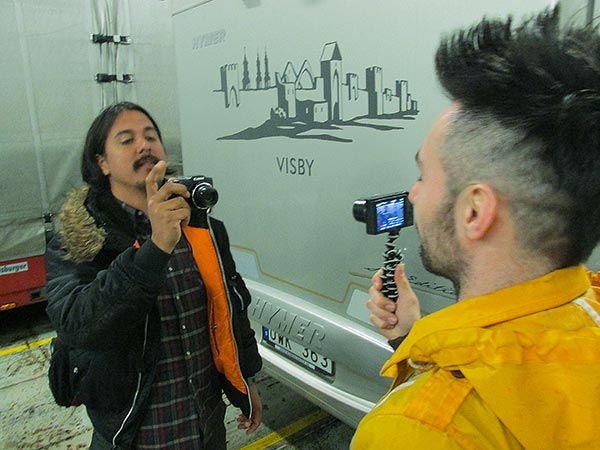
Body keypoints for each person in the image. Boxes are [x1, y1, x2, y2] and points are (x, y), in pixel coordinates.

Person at [352, 7, 600, 450]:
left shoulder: (416, 431)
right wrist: (412, 336)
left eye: (424, 176)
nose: (412, 195)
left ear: (474, 212)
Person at [45, 101, 263, 450]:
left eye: (150, 136)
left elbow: (231, 306)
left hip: (206, 428)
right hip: (135, 433)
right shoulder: (79, 239)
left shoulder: (201, 226)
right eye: (126, 139)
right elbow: (78, 324)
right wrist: (156, 247)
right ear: (101, 162)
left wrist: (245, 380)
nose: (144, 145)